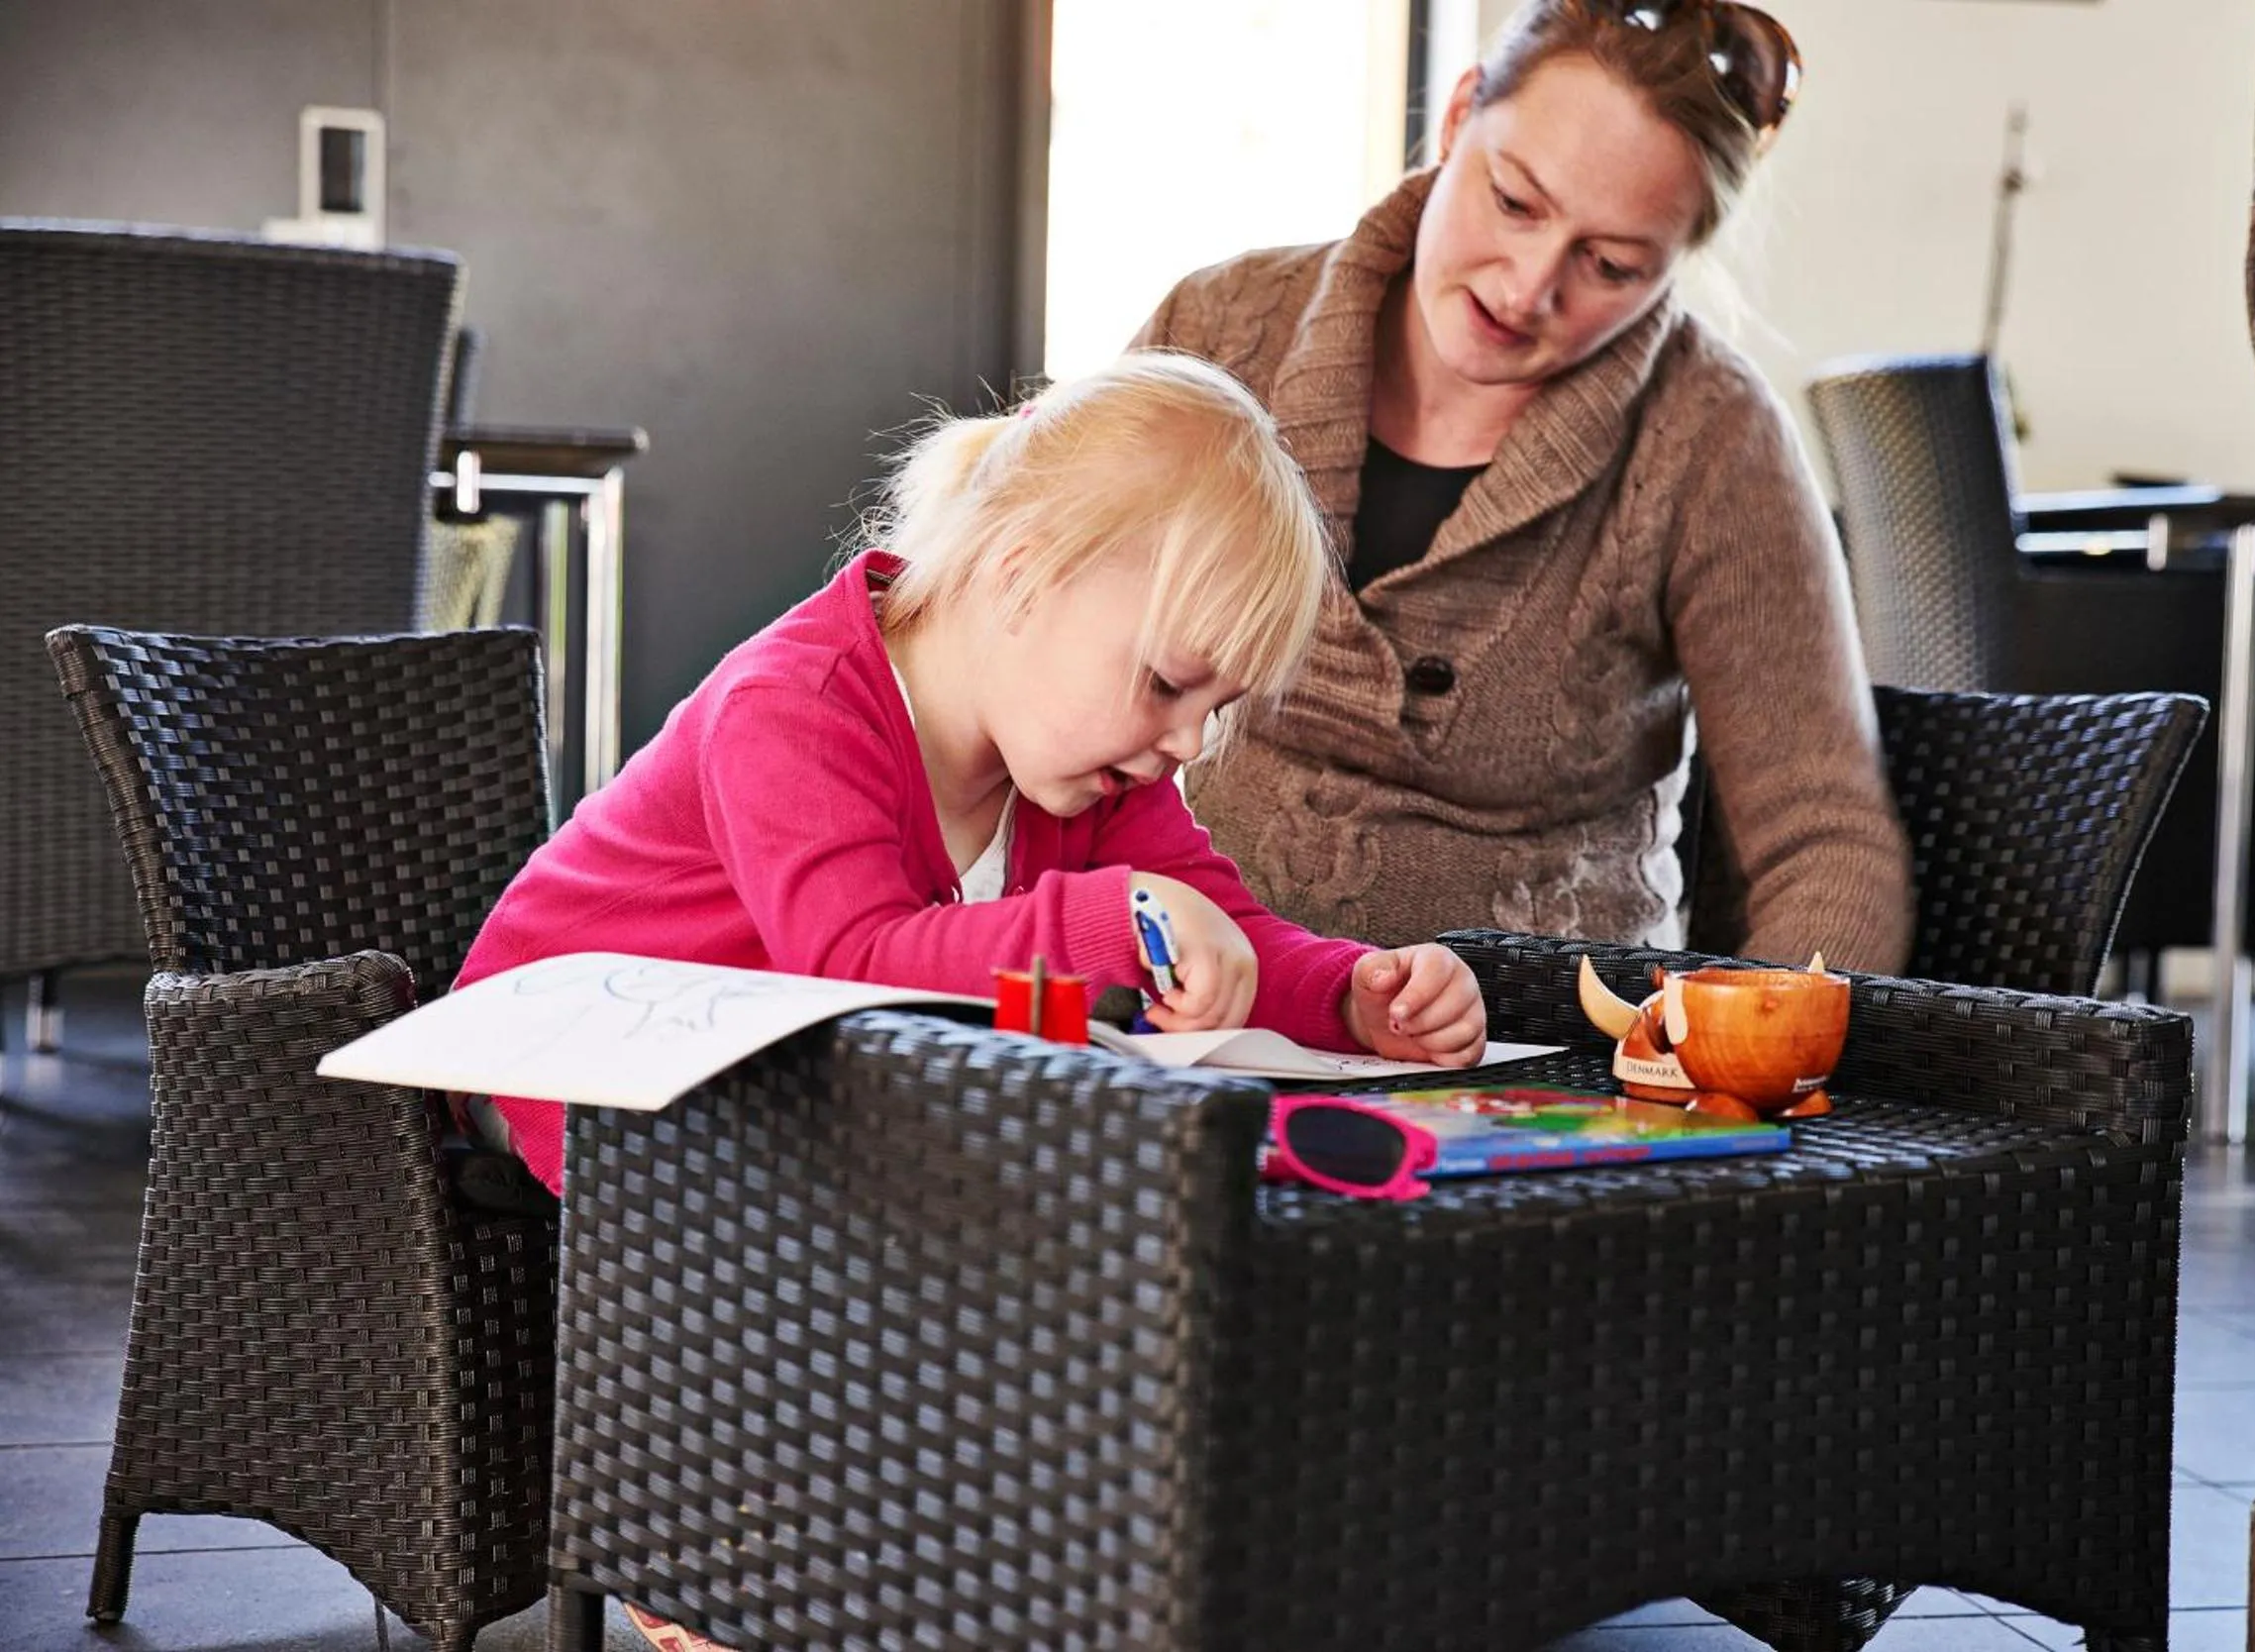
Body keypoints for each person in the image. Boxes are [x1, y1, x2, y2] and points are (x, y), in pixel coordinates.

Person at [455, 352, 1489, 1203]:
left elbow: (1223, 934)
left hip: (780, 1107)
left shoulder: (1093, 765)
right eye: (1167, 683)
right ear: (1021, 576)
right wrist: (1113, 920)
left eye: (1211, 711)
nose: (1184, 743)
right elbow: (851, 964)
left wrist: (1350, 992)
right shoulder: (796, 706)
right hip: (563, 1077)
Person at [1134, 0, 1913, 972]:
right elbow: (1032, 646)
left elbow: (1823, 842)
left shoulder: (1712, 441)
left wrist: (1752, 1062)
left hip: (1537, 1065)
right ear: (1460, 115)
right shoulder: (1219, 328)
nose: (1527, 289)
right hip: (1174, 1006)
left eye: (1611, 264)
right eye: (1514, 203)